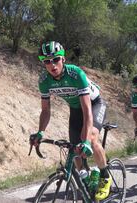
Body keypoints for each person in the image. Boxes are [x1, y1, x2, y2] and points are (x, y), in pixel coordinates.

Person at [29, 41, 110, 200]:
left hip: (94, 105)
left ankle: (105, 176)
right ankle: (86, 177)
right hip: (75, 108)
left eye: (55, 59)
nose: (52, 64)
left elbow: (87, 111)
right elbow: (45, 110)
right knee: (74, 149)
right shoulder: (44, 80)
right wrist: (40, 132)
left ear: (63, 59)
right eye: (47, 61)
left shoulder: (75, 74)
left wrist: (85, 140)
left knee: (91, 139)